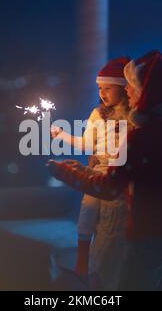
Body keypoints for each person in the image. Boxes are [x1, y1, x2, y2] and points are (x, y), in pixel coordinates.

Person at [48, 50, 162, 290]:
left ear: (146, 94)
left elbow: (108, 190)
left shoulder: (139, 137)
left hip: (150, 236)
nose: (128, 91)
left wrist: (65, 173)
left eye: (132, 86)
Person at [51, 57, 134, 290]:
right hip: (100, 169)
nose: (103, 93)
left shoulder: (135, 116)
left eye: (107, 88)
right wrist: (61, 135)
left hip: (124, 172)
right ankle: (82, 259)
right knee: (88, 205)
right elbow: (87, 145)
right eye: (100, 89)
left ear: (124, 89)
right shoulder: (98, 114)